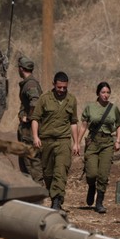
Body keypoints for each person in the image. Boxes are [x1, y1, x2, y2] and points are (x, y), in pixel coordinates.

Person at [30, 71, 79, 210]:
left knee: (61, 170)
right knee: (48, 173)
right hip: (46, 141)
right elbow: (35, 119)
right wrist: (35, 137)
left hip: (63, 140)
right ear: (54, 84)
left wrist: (76, 143)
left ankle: (57, 201)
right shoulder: (44, 99)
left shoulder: (71, 100)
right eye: (59, 87)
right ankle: (54, 197)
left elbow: (73, 122)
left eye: (64, 87)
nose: (62, 90)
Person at [78, 81, 120, 214]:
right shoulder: (90, 107)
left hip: (107, 142)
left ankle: (99, 202)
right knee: (92, 173)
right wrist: (77, 142)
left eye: (108, 92)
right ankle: (91, 186)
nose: (106, 95)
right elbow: (84, 125)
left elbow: (119, 125)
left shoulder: (113, 108)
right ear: (98, 93)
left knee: (103, 175)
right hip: (93, 142)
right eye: (103, 92)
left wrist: (118, 141)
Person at [16, 56, 44, 183]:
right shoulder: (28, 83)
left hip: (29, 130)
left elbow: (35, 102)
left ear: (21, 69)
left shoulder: (30, 84)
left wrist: (29, 117)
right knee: (25, 161)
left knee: (32, 160)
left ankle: (39, 188)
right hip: (26, 130)